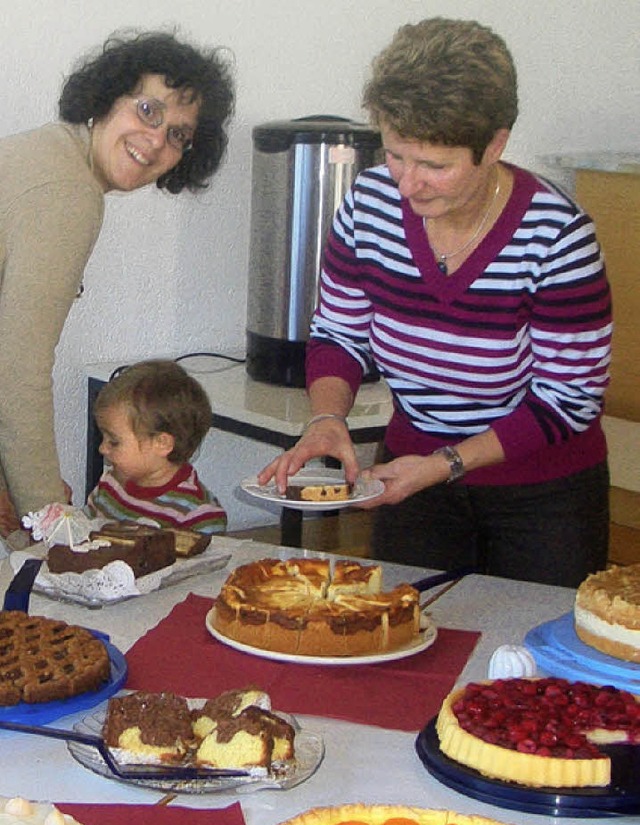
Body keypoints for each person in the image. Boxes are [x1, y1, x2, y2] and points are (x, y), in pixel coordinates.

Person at [259, 17, 612, 588]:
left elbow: (568, 398)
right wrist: (327, 418)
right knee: (406, 643)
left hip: (543, 498)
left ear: (494, 144)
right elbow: (339, 334)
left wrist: (447, 463)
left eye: (436, 166)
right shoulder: (368, 206)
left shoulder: (556, 236)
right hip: (409, 474)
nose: (407, 184)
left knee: (536, 667)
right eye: (398, 155)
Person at [0, 29, 234, 544]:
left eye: (178, 134)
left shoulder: (50, 154)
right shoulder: (67, 193)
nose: (156, 140)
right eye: (148, 110)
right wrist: (51, 524)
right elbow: (17, 372)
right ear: (106, 98)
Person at [86, 360, 227, 535]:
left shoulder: (197, 516)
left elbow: (208, 562)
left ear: (162, 443)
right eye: (103, 437)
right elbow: (84, 535)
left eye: (114, 441)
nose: (102, 448)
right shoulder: (109, 485)